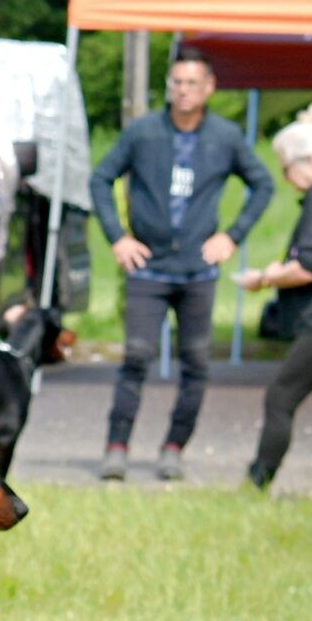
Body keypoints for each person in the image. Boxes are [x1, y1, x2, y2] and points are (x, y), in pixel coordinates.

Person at [89, 51, 274, 481]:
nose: (183, 91)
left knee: (195, 362)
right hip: (148, 267)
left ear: (208, 88)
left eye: (192, 84)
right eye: (176, 83)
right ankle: (117, 447)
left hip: (197, 271)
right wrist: (118, 237)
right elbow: (100, 178)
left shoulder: (224, 136)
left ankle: (174, 446)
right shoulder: (144, 132)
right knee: (136, 357)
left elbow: (263, 184)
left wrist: (232, 235)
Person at [239, 106, 312, 491]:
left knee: (281, 396)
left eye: (286, 167)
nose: (285, 176)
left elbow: (311, 265)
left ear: (308, 162)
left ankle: (258, 480)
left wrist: (266, 277)